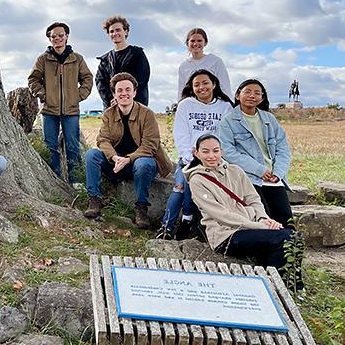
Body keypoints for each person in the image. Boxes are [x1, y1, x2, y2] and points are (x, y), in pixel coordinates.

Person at [185, 134, 303, 290]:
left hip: (250, 226)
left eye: (215, 151)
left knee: (294, 237)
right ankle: (278, 289)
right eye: (205, 152)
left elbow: (253, 199)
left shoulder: (236, 171)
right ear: (196, 153)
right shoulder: (197, 180)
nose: (211, 156)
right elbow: (221, 215)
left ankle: (290, 287)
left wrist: (263, 219)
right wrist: (257, 226)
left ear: (222, 152)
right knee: (283, 238)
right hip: (226, 234)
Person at [84, 72, 173, 229]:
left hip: (139, 163)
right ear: (114, 94)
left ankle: (141, 208)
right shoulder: (108, 114)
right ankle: (95, 200)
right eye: (119, 90)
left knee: (143, 163)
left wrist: (128, 159)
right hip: (117, 163)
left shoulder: (147, 114)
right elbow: (102, 140)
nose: (124, 93)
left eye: (127, 89)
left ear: (134, 92)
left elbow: (150, 145)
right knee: (92, 155)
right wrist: (114, 158)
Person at [156, 69, 233, 240]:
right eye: (196, 84)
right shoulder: (186, 105)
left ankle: (189, 221)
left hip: (215, 160)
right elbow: (181, 134)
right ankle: (167, 227)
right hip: (189, 159)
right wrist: (192, 158)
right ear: (191, 88)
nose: (201, 87)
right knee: (180, 186)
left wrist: (212, 157)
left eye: (205, 83)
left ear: (214, 84)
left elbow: (226, 136)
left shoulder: (225, 107)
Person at [218, 79, 293, 227]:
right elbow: (228, 152)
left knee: (286, 220)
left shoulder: (269, 119)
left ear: (262, 98)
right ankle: (268, 248)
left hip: (273, 178)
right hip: (249, 177)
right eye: (247, 91)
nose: (252, 95)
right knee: (263, 219)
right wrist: (259, 170)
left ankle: (291, 250)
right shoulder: (228, 121)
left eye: (257, 93)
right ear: (238, 95)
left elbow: (283, 148)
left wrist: (277, 172)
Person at [27, 21, 93, 183]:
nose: (57, 38)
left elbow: (87, 79)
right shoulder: (43, 59)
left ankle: (75, 181)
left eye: (60, 35)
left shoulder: (77, 59)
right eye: (53, 36)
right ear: (49, 39)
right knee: (50, 147)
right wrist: (44, 95)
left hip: (71, 111)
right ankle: (55, 180)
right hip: (49, 111)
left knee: (72, 146)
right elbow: (33, 80)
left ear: (67, 36)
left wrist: (78, 96)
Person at [95, 16, 150, 108]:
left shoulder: (137, 54)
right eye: (111, 31)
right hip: (113, 107)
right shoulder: (105, 60)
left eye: (118, 30)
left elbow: (142, 79)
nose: (115, 33)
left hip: (136, 106)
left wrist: (126, 97)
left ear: (126, 31)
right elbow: (100, 82)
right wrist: (111, 98)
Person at [177, 28, 230, 101]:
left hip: (213, 104)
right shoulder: (184, 66)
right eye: (192, 41)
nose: (195, 44)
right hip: (192, 105)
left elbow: (225, 86)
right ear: (187, 43)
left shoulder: (215, 61)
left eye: (199, 41)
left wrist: (228, 105)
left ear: (205, 43)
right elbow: (181, 91)